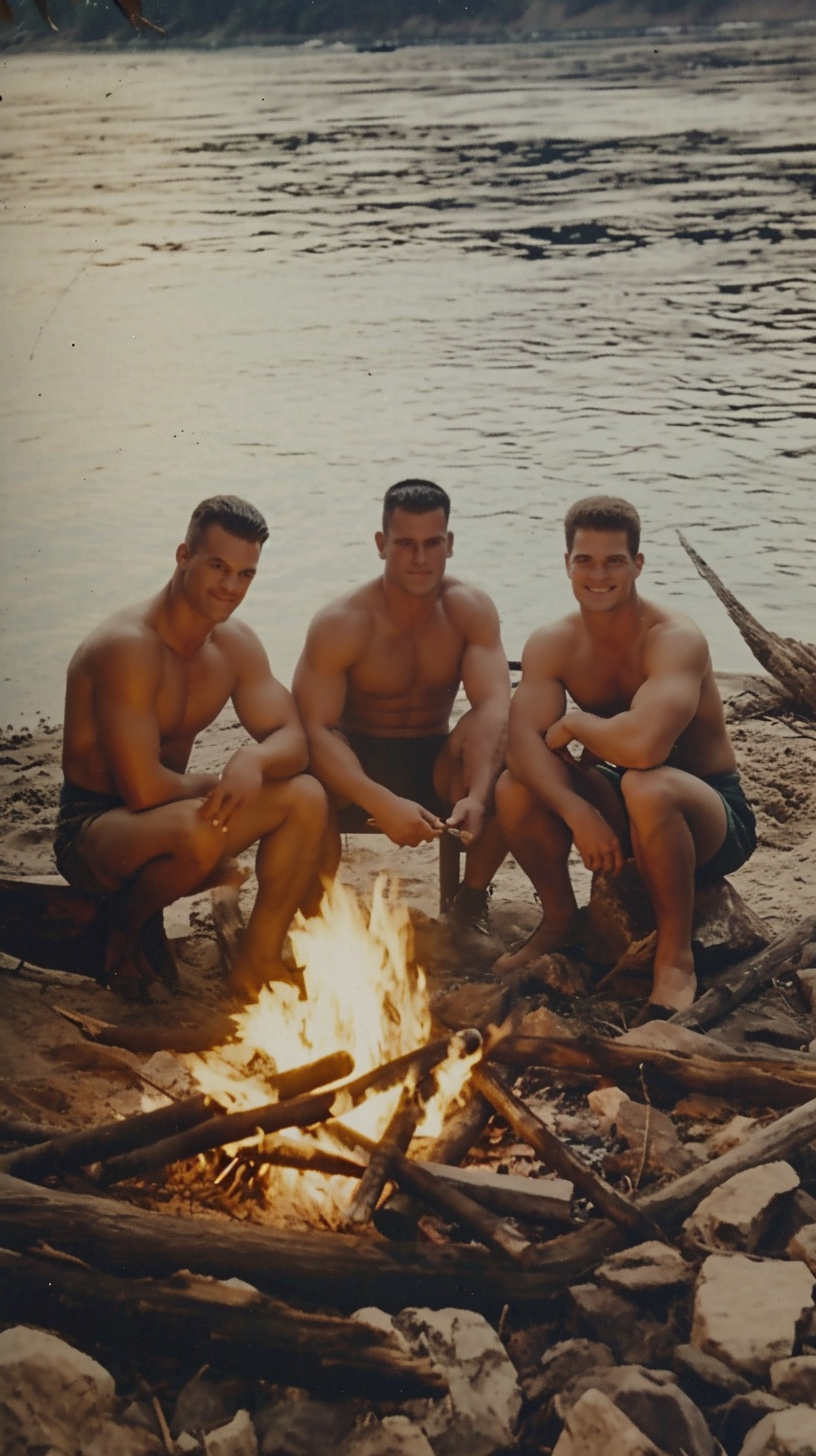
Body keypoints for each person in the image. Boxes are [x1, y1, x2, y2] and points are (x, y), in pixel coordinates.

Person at [494, 495, 756, 1018]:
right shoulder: (554, 642)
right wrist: (579, 813)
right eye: (585, 560)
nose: (599, 574)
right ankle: (561, 920)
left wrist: (575, 722)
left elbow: (644, 748)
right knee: (513, 787)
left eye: (614, 560)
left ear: (637, 564)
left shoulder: (674, 639)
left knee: (646, 783)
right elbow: (521, 741)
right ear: (566, 563)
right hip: (624, 797)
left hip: (710, 815)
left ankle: (675, 959)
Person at [55, 495, 327, 1000]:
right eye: (218, 566)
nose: (230, 587)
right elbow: (140, 789)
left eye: (246, 574)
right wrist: (218, 783)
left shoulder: (234, 645)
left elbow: (294, 741)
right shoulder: (129, 646)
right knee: (201, 831)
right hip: (93, 830)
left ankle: (258, 959)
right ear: (183, 556)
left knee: (306, 797)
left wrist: (253, 759)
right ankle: (124, 927)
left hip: (177, 817)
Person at [292, 479, 511, 942]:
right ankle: (318, 910)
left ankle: (470, 901)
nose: (420, 558)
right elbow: (314, 729)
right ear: (380, 544)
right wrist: (379, 801)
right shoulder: (342, 622)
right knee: (305, 766)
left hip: (434, 759)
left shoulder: (469, 610)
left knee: (512, 750)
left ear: (449, 544)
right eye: (405, 544)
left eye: (432, 543)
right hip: (354, 766)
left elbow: (493, 706)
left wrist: (477, 793)